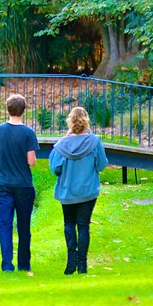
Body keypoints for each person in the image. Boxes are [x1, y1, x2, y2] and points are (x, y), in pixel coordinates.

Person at [49, 106, 108, 275]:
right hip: (88, 191)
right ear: (86, 121)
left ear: (70, 121)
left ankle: (70, 262)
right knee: (83, 226)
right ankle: (82, 265)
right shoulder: (95, 142)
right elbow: (102, 165)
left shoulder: (61, 145)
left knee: (69, 224)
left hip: (68, 191)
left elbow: (55, 169)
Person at [0, 94, 39, 272]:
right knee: (24, 226)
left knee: (5, 225)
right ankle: (24, 264)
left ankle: (7, 265)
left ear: (7, 109)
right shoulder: (29, 133)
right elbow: (31, 161)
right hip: (23, 184)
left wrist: (1, 159)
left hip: (3, 184)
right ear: (24, 110)